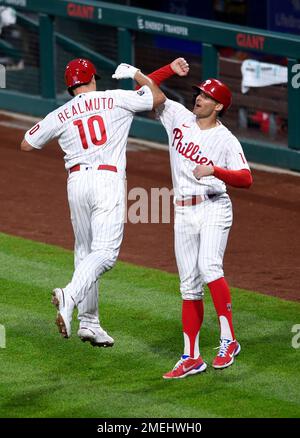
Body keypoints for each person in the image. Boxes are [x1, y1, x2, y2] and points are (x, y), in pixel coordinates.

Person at [20, 59, 166, 347]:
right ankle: (70, 296)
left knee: (85, 252)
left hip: (76, 184)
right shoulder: (113, 97)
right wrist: (137, 74)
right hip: (106, 182)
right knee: (106, 254)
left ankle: (90, 323)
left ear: (70, 85)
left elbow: (26, 143)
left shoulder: (62, 112)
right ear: (92, 79)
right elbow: (157, 97)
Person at [146, 58, 253, 378]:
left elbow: (246, 179)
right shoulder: (177, 115)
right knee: (189, 286)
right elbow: (146, 87)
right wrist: (168, 70)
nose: (199, 98)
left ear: (219, 106)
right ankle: (191, 356)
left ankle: (228, 339)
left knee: (209, 267)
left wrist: (215, 170)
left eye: (206, 96)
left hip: (213, 206)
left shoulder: (225, 140)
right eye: (198, 93)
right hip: (182, 210)